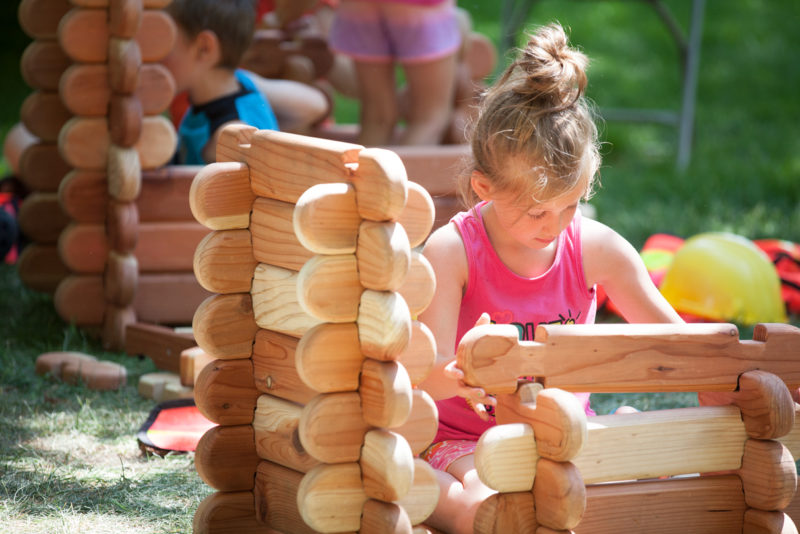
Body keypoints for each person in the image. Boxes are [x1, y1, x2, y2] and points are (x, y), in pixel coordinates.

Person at [416, 23, 684, 534]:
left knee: (648, 479)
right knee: (488, 508)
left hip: (563, 438)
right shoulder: (452, 251)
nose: (555, 226)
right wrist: (466, 370)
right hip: (465, 445)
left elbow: (678, 337)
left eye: (570, 205)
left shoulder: (596, 247)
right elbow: (422, 375)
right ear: (484, 187)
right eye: (536, 211)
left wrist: (727, 380)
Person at [163, 0, 328, 164]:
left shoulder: (230, 138)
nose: (156, 57)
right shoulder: (239, 85)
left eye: (165, 42)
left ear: (204, 48)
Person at [328, 0, 462, 146]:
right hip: (419, 6)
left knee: (377, 118)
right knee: (429, 119)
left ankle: (366, 169)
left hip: (359, 5)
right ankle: (409, 168)